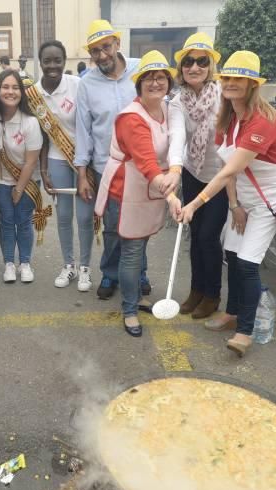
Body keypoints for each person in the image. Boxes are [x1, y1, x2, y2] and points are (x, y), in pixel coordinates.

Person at [179, 51, 276, 358]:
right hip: (243, 200)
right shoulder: (228, 119)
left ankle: (246, 330)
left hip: (268, 203)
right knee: (230, 254)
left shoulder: (263, 121)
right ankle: (231, 313)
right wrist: (233, 205)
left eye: (238, 79)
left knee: (247, 264)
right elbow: (227, 169)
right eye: (227, 78)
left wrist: (195, 204)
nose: (229, 83)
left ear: (252, 84)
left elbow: (229, 169)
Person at [94, 50, 181, 338]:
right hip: (127, 190)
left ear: (168, 81)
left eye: (161, 78)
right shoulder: (131, 118)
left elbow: (174, 146)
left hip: (153, 188)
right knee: (131, 251)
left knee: (140, 246)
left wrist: (172, 178)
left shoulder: (170, 110)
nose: (155, 83)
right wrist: (171, 196)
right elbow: (146, 163)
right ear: (139, 83)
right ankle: (130, 309)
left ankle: (134, 295)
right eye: (149, 79)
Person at [75, 19, 152, 300]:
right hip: (106, 168)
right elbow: (83, 131)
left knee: (139, 226)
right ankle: (110, 273)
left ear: (117, 43)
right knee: (112, 227)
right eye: (95, 51)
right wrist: (82, 174)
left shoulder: (140, 69)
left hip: (143, 167)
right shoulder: (86, 84)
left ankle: (139, 272)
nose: (102, 55)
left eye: (106, 47)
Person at [168, 32, 226, 319]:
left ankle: (212, 294)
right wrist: (175, 169)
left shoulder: (223, 96)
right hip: (192, 172)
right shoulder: (178, 102)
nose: (194, 67)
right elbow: (177, 135)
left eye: (202, 61)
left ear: (210, 65)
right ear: (181, 68)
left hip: (219, 178)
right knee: (193, 236)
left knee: (208, 237)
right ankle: (196, 290)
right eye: (188, 61)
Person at [29, 40, 94, 291]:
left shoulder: (78, 86)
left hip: (84, 159)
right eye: (47, 61)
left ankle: (86, 267)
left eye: (57, 60)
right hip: (56, 158)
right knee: (64, 216)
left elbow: (89, 123)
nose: (53, 65)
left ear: (64, 61)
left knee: (86, 216)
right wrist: (43, 171)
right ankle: (69, 265)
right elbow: (41, 137)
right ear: (41, 62)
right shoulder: (34, 94)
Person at [0, 69, 45, 283]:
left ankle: (24, 262)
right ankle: (8, 264)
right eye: (5, 87)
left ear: (22, 92)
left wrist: (19, 188)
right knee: (6, 221)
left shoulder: (30, 122)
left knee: (23, 221)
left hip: (27, 181)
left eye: (15, 87)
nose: (10, 91)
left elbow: (32, 160)